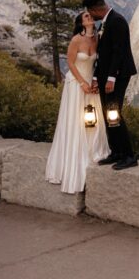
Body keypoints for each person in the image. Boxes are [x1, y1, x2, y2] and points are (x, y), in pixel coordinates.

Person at [44, 11, 111, 193]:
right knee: (76, 121)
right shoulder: (75, 40)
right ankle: (74, 157)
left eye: (91, 16)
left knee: (93, 120)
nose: (89, 18)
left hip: (91, 84)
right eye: (86, 17)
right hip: (76, 84)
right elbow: (71, 64)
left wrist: (95, 82)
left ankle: (93, 150)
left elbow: (98, 63)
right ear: (81, 23)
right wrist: (82, 82)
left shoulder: (96, 38)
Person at [83, 0, 138, 170]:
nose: (90, 16)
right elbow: (103, 55)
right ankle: (116, 152)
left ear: (95, 9)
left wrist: (111, 78)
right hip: (106, 76)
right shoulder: (106, 23)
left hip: (118, 75)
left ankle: (129, 155)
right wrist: (97, 77)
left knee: (114, 113)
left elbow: (118, 52)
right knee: (108, 114)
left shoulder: (117, 21)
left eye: (90, 12)